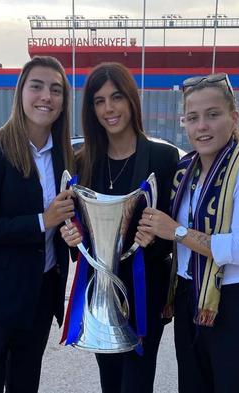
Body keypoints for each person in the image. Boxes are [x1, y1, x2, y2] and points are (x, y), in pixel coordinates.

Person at [137, 73, 239, 393]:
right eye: (193, 117)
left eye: (213, 115)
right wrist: (150, 232)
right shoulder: (184, 171)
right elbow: (166, 231)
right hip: (190, 299)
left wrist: (178, 232)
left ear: (233, 117)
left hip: (235, 304)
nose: (202, 126)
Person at [0, 56, 75, 393]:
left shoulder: (63, 156)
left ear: (63, 101)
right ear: (21, 93)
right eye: (36, 86)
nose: (46, 97)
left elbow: (65, 225)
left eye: (56, 90)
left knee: (25, 386)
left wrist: (73, 233)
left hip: (37, 298)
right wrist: (42, 220)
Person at [60, 62, 180, 393]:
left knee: (137, 384)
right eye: (99, 101)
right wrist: (71, 237)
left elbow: (173, 232)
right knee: (110, 383)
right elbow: (78, 234)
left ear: (131, 100)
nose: (109, 109)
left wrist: (155, 237)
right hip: (99, 291)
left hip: (145, 292)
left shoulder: (164, 158)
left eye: (116, 97)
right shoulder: (82, 162)